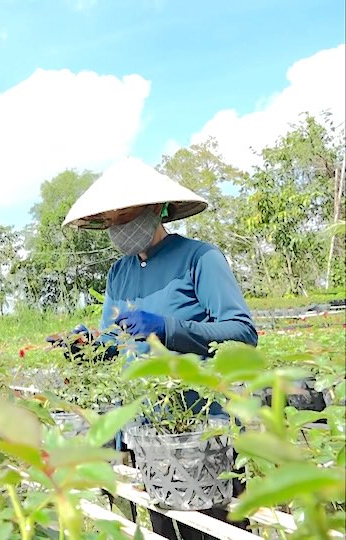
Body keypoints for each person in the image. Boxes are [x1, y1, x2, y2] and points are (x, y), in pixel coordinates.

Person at [48, 157, 258, 540]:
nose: (117, 228)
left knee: (215, 527)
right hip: (150, 434)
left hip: (206, 429)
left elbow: (242, 332)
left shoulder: (200, 258)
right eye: (110, 220)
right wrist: (88, 346)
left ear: (155, 209)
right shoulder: (119, 273)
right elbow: (116, 340)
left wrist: (168, 328)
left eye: (125, 215)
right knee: (166, 526)